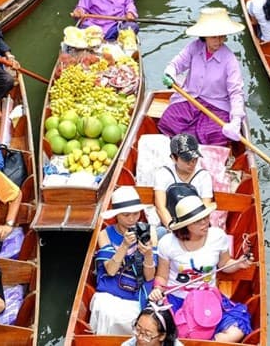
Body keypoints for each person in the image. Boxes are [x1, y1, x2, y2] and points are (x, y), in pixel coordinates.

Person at [148, 195, 252, 342]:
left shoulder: (218, 236)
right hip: (176, 299)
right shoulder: (167, 243)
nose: (205, 223)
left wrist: (238, 264)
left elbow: (224, 264)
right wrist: (158, 289)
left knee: (237, 329)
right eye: (198, 221)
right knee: (158, 333)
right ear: (185, 225)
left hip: (207, 297)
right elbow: (162, 276)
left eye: (206, 217)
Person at [159, 7, 246, 146]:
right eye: (214, 37)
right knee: (169, 119)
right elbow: (176, 64)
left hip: (217, 105)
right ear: (204, 36)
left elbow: (236, 93)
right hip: (191, 99)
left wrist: (236, 121)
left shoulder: (230, 59)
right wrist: (170, 73)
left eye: (221, 36)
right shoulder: (194, 47)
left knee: (217, 134)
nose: (218, 41)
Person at [90, 187, 158, 335]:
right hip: (112, 286)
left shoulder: (149, 231)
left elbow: (149, 277)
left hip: (137, 288)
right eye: (126, 215)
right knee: (104, 308)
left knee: (138, 317)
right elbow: (111, 270)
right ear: (117, 216)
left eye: (136, 214)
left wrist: (148, 255)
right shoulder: (105, 234)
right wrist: (125, 246)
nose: (132, 219)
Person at [153, 134, 213, 228]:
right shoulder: (163, 174)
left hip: (197, 224)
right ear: (173, 158)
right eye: (187, 160)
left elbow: (206, 206)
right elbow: (160, 207)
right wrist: (172, 227)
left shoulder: (204, 176)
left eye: (195, 159)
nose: (192, 163)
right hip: (170, 224)